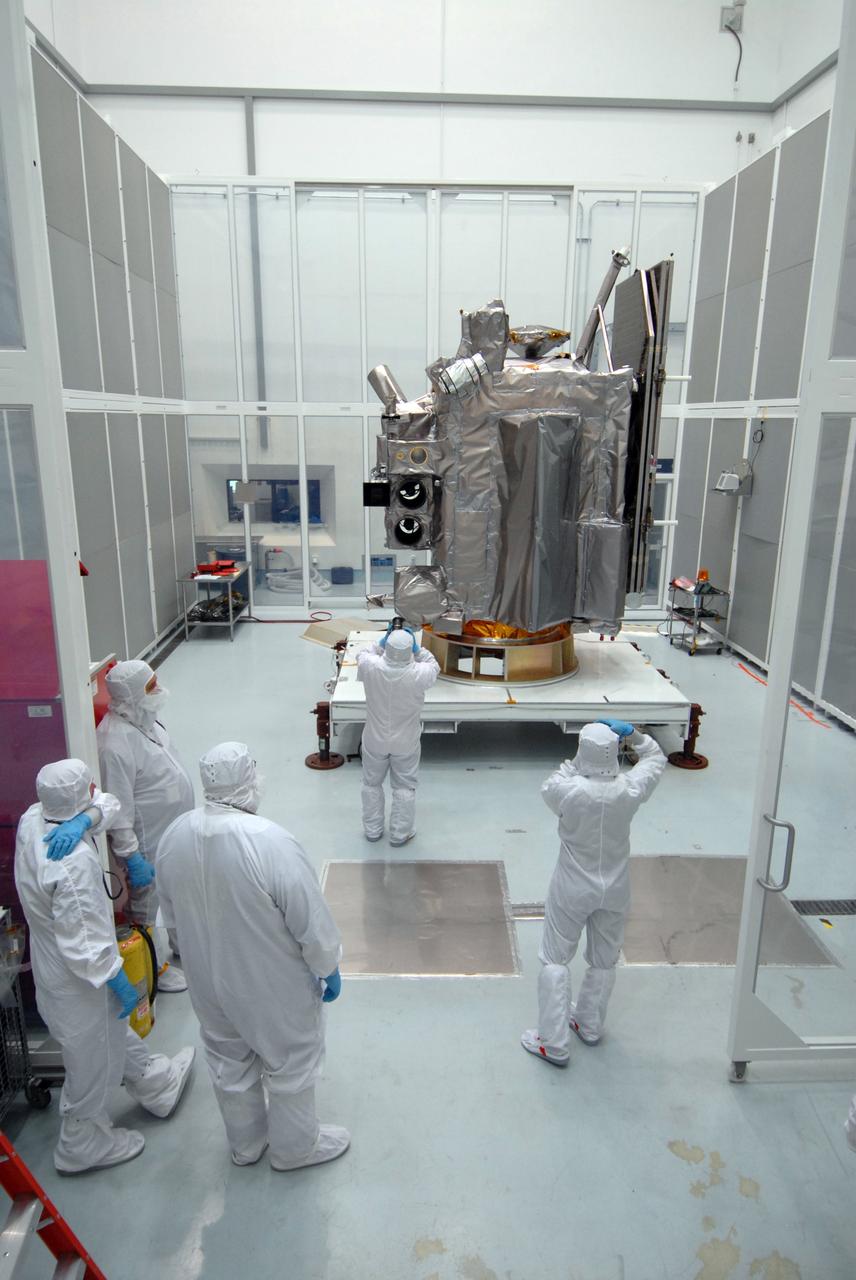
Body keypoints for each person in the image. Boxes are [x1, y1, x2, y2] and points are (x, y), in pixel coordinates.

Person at [156, 742, 349, 1171]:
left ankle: (247, 1144)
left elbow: (168, 915)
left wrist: (188, 962)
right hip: (270, 983)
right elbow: (309, 919)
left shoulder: (175, 835)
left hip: (208, 981)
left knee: (229, 1060)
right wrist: (327, 965)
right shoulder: (270, 841)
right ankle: (295, 1149)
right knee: (291, 1061)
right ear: (246, 779)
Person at [15, 759, 195, 1173]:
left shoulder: (33, 821)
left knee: (108, 1036)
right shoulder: (72, 864)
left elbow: (108, 804)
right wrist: (121, 983)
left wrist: (87, 819)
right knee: (89, 1061)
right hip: (78, 980)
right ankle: (80, 1143)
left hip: (53, 965)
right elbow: (88, 946)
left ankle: (155, 1081)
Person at [522, 719, 666, 1066]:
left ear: (583, 752)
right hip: (615, 886)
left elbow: (550, 785)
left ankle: (552, 1043)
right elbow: (656, 758)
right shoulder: (629, 789)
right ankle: (588, 1024)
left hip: (572, 886)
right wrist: (634, 735)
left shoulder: (570, 791)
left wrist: (576, 763)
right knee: (604, 959)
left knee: (555, 958)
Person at [95, 659, 195, 992]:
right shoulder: (114, 742)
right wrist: (131, 856)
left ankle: (183, 945)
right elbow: (117, 808)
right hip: (147, 839)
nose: (159, 690)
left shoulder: (147, 720)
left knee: (177, 890)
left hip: (172, 830)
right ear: (133, 695)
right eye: (151, 686)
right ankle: (153, 966)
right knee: (146, 903)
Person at [356, 623, 440, 845]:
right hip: (406, 741)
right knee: (404, 786)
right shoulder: (420, 674)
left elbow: (363, 653)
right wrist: (416, 648)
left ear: (387, 648)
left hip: (374, 739)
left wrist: (382, 642)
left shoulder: (371, 667)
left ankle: (373, 831)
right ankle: (400, 834)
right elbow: (433, 664)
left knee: (371, 784)